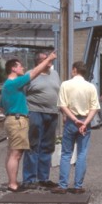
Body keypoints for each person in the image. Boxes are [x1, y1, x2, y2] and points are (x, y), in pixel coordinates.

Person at [0, 51, 58, 192]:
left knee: (14, 152)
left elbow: (1, 105)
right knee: (17, 153)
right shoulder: (15, 82)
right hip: (20, 118)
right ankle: (16, 183)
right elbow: (34, 73)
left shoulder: (10, 84)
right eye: (20, 66)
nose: (23, 68)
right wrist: (49, 58)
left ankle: (16, 182)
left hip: (19, 117)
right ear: (13, 68)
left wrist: (10, 113)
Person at [53, 61, 100, 194]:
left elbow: (62, 105)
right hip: (85, 122)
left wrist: (74, 119)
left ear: (74, 70)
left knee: (66, 154)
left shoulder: (66, 85)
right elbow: (94, 107)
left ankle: (63, 186)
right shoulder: (90, 87)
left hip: (71, 122)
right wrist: (84, 123)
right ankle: (78, 186)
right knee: (82, 154)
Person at [23, 51, 61, 189]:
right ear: (39, 62)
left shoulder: (54, 74)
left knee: (47, 146)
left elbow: (59, 92)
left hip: (52, 113)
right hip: (35, 112)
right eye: (46, 59)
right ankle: (29, 179)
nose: (50, 61)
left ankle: (43, 178)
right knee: (33, 145)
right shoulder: (30, 74)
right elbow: (22, 93)